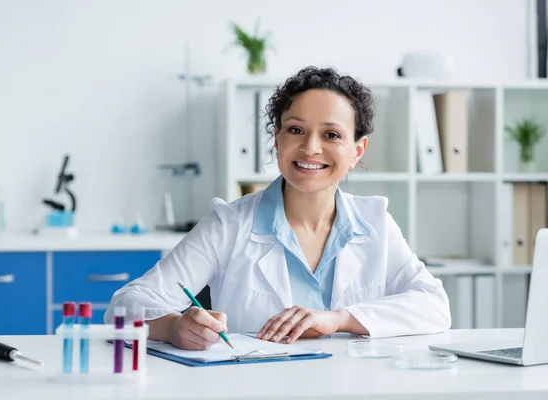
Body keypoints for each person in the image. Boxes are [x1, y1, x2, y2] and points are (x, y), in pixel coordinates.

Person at [104, 66, 451, 350]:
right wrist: (174, 326)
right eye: (296, 130)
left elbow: (434, 306)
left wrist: (339, 319)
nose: (310, 147)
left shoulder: (375, 222)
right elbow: (125, 303)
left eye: (331, 135)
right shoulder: (230, 224)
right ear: (277, 139)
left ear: (357, 151)